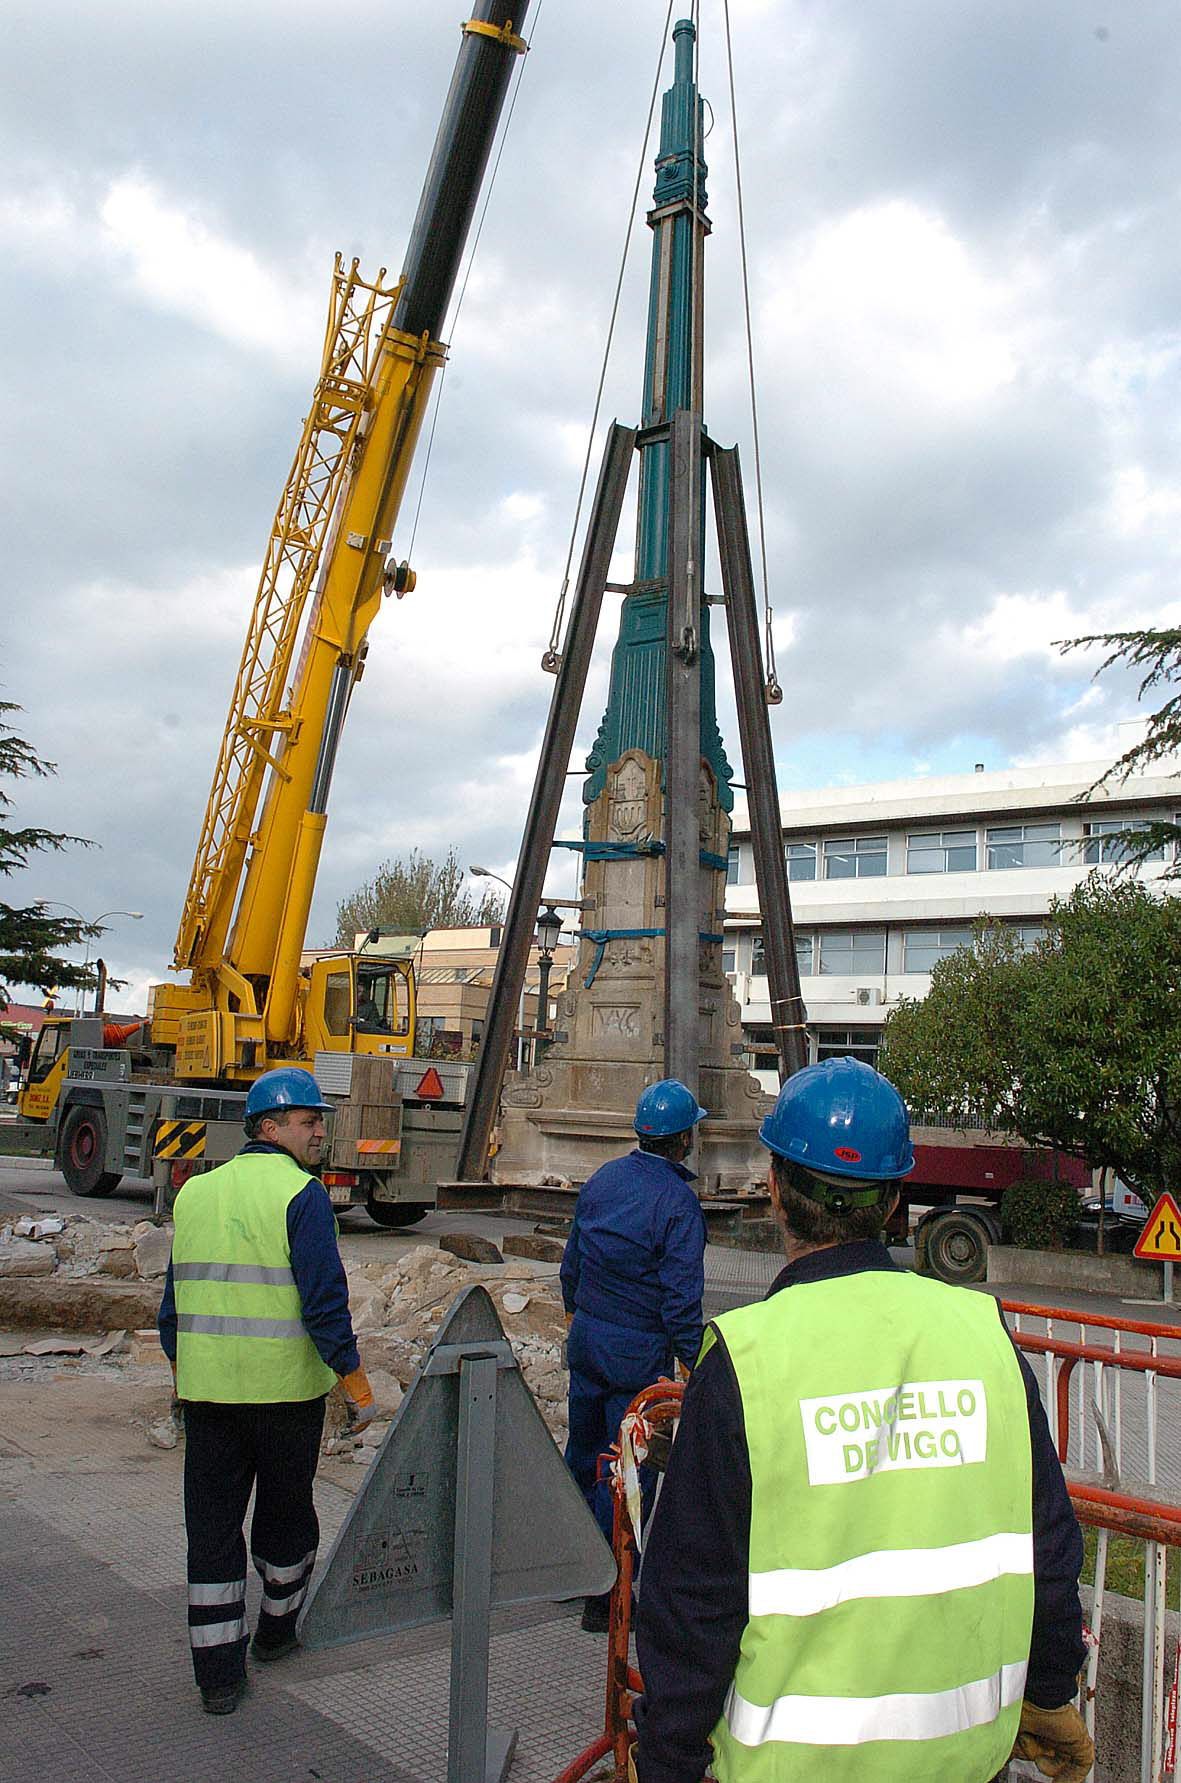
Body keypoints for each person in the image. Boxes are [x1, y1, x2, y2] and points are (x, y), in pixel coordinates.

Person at [632, 1057, 1092, 1783]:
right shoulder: (983, 1336)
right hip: (964, 1763)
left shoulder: (747, 1361)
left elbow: (690, 1605)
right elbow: (1050, 1544)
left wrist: (664, 1761)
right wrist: (1047, 1690)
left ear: (776, 1191)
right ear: (895, 1200)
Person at [158, 1066, 376, 1715]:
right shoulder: (300, 1194)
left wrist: (189, 1371)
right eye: (309, 1121)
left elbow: (171, 1310)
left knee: (213, 1534)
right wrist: (357, 1385)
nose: (318, 1131)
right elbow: (324, 1301)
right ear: (269, 1125)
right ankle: (275, 1634)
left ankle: (218, 1679)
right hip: (284, 1399)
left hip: (209, 1399)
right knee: (285, 1524)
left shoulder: (195, 1191)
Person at [561, 1077, 708, 1633]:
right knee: (627, 1473)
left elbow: (573, 1260)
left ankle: (573, 1569)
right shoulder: (677, 1204)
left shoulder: (604, 1180)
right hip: (636, 1352)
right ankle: (610, 1595)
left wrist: (577, 1312)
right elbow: (680, 1298)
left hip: (590, 1341)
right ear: (685, 1139)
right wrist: (694, 1360)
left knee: (585, 1457)